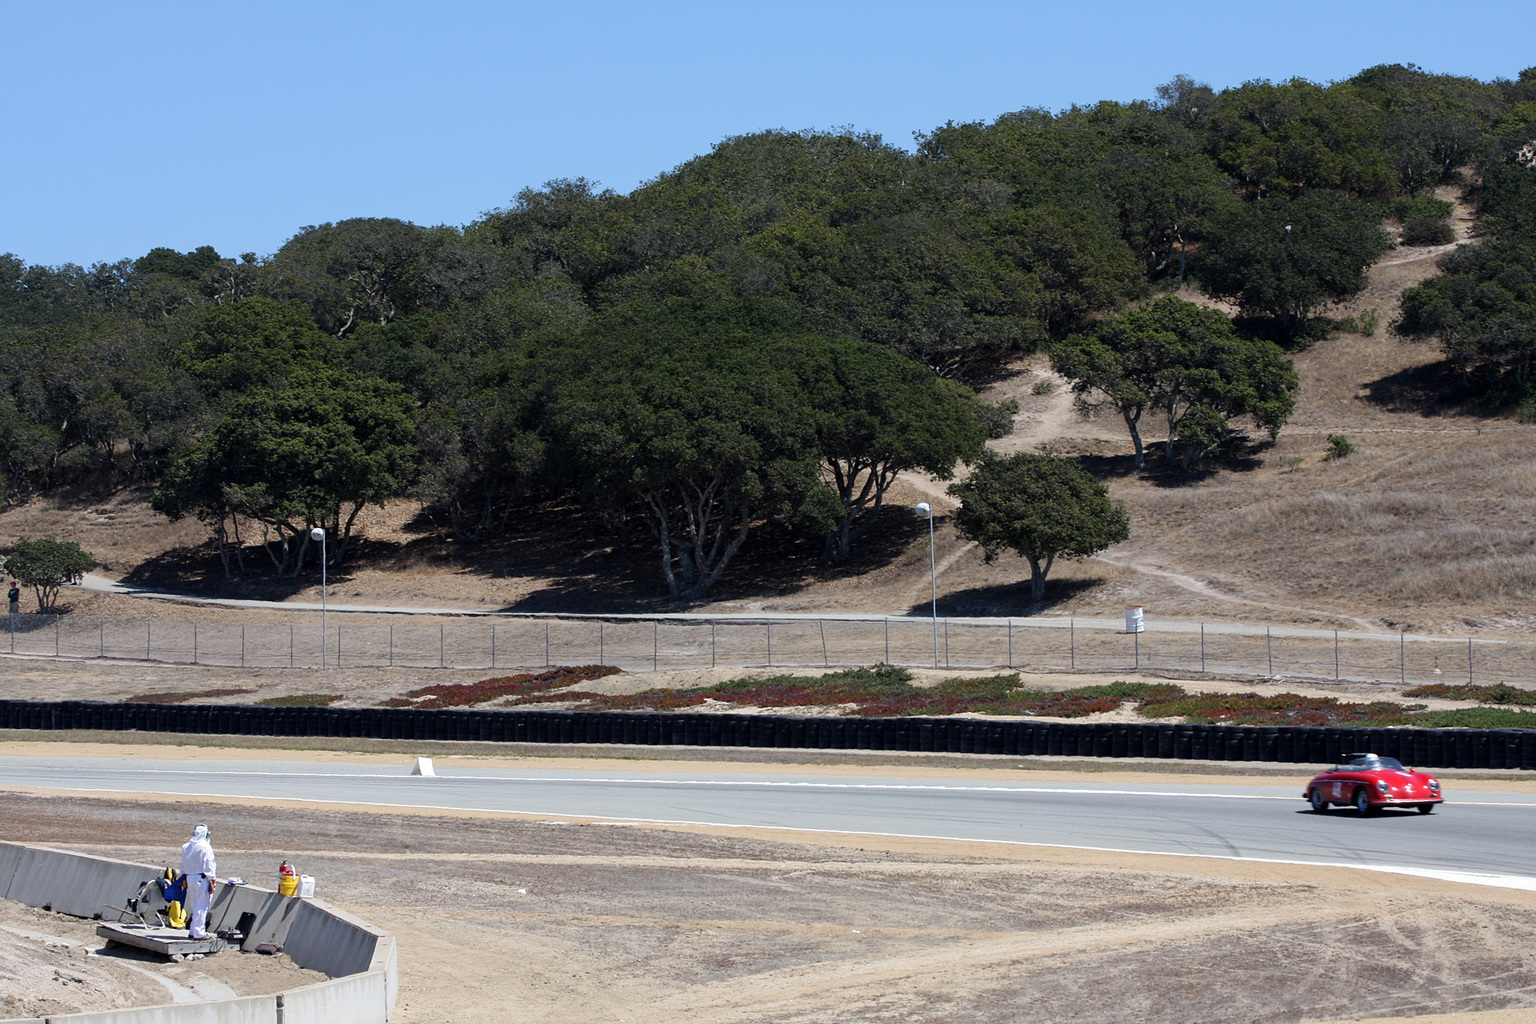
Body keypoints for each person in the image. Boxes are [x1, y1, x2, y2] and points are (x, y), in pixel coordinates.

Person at [179, 824, 218, 939]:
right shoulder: (205, 847)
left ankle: (192, 931)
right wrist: (212, 880)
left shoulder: (186, 847)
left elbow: (183, 864)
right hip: (202, 879)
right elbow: (209, 864)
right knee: (202, 906)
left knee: (195, 906)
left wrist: (184, 877)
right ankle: (199, 933)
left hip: (190, 878)